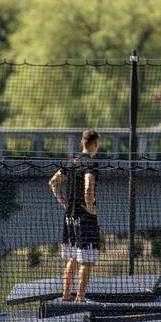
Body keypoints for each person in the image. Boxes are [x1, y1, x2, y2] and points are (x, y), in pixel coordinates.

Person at [49, 129, 101, 302]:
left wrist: (64, 202)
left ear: (82, 143)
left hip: (69, 217)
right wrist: (89, 207)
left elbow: (53, 182)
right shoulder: (90, 164)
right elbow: (88, 187)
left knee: (73, 258)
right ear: (95, 144)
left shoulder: (71, 161)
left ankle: (65, 296)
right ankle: (80, 298)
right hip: (85, 218)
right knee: (87, 261)